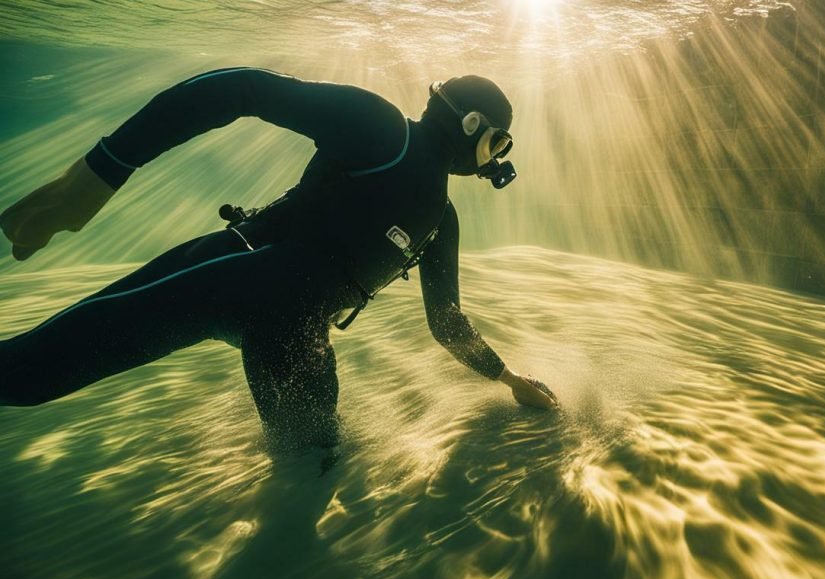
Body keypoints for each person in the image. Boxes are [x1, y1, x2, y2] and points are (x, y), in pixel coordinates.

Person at [0, 67, 558, 448]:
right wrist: (100, 173)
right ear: (472, 126)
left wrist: (507, 379)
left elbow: (446, 323)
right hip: (234, 274)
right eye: (499, 144)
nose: (496, 161)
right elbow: (243, 88)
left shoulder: (441, 220)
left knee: (309, 466)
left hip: (297, 339)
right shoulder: (382, 130)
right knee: (25, 375)